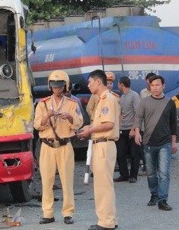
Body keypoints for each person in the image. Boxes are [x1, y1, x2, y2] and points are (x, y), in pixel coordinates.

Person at [34, 70, 83, 225]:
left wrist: (70, 117)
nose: (57, 89)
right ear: (50, 86)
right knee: (47, 181)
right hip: (47, 146)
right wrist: (47, 116)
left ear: (65, 86)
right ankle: (48, 213)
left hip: (64, 145)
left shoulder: (72, 104)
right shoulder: (42, 104)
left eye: (60, 86)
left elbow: (79, 123)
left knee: (67, 181)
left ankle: (68, 213)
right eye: (54, 86)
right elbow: (36, 125)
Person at [77, 70, 119, 230]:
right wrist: (88, 128)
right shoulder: (102, 99)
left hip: (103, 144)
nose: (88, 85)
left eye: (90, 82)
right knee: (104, 184)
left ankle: (106, 222)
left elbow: (108, 124)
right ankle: (110, 220)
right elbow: (101, 122)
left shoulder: (107, 99)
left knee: (103, 185)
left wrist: (89, 131)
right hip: (101, 144)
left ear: (98, 82)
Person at [133, 75, 178, 211]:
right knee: (151, 173)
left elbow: (173, 124)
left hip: (165, 143)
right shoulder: (144, 102)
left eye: (157, 85)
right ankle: (154, 194)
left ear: (163, 86)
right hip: (148, 142)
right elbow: (138, 118)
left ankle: (163, 200)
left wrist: (174, 142)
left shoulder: (170, 103)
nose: (155, 88)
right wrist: (136, 133)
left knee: (164, 172)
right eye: (152, 85)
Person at [114, 76, 141, 183]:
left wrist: (133, 129)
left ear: (121, 84)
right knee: (120, 153)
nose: (117, 86)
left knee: (134, 154)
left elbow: (138, 113)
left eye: (118, 84)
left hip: (132, 129)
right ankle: (124, 175)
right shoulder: (122, 97)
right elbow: (121, 114)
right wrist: (118, 127)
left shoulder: (134, 96)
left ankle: (133, 176)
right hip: (122, 129)